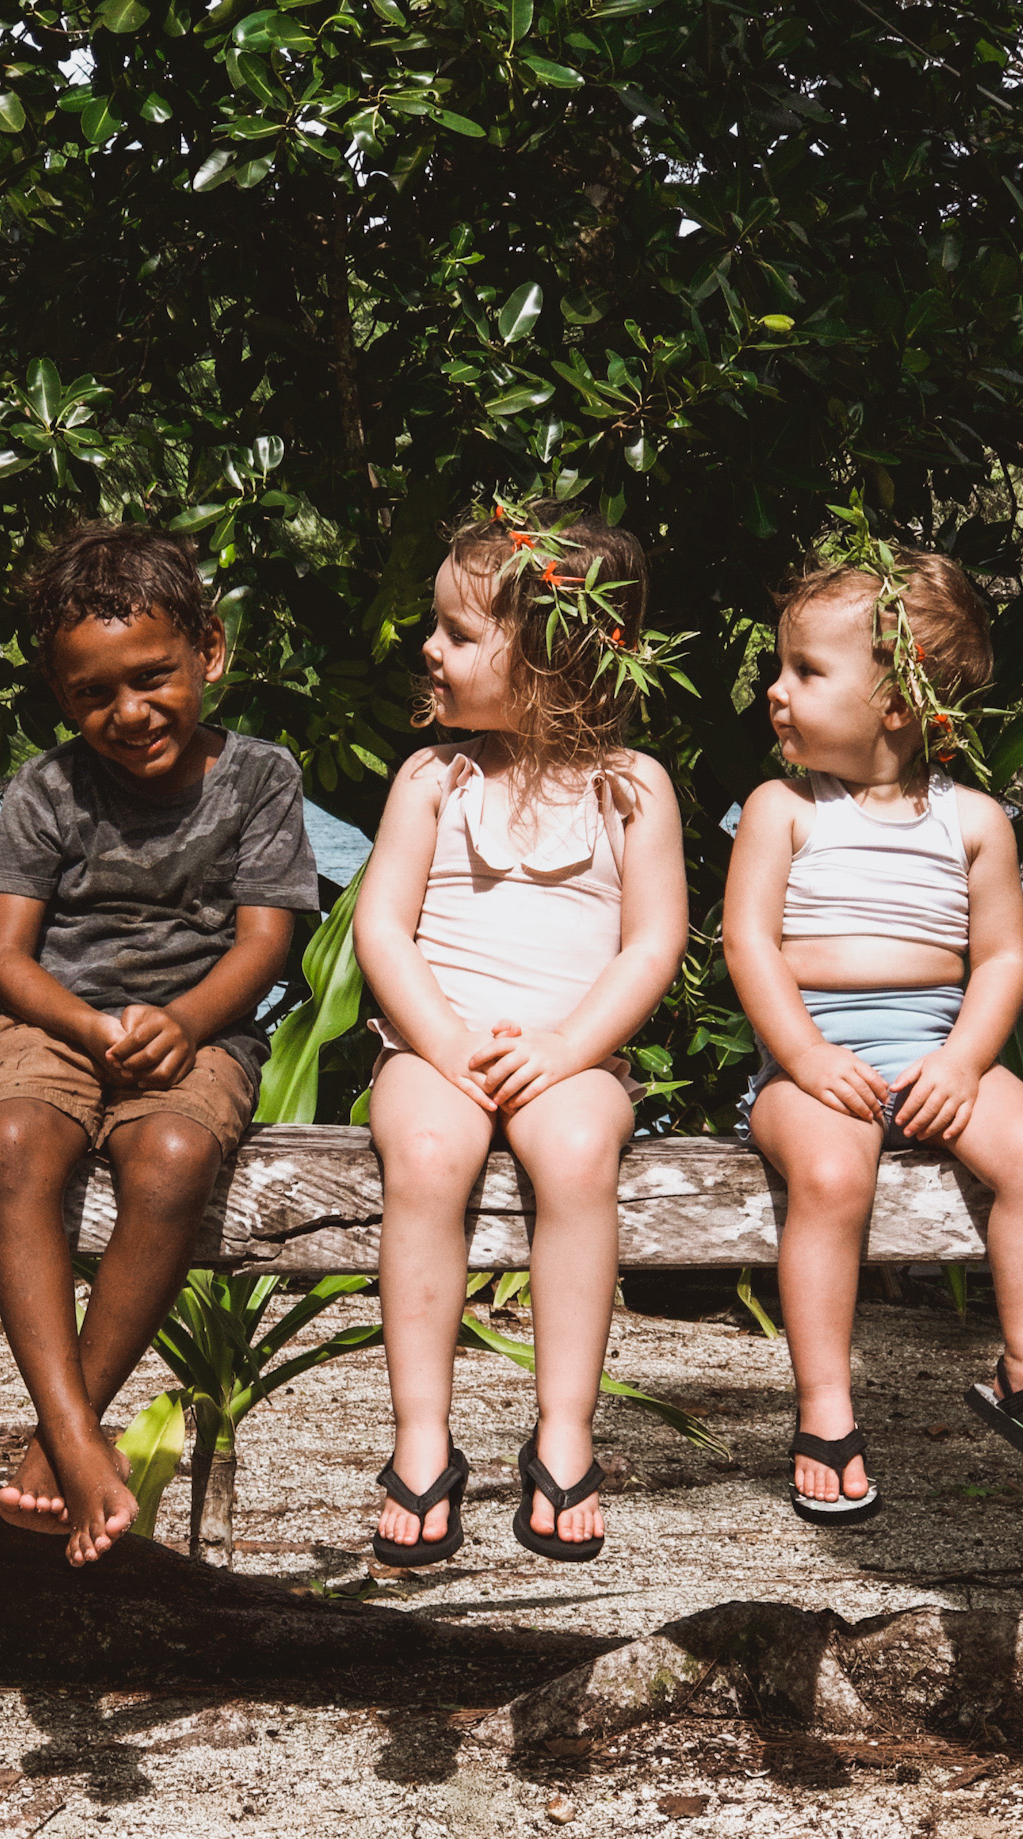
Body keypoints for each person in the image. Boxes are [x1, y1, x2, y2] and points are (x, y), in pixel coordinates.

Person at [722, 522, 1023, 1527]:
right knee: (834, 1172)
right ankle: (824, 1406)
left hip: (931, 1048)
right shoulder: (781, 808)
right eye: (779, 665)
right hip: (810, 1066)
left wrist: (965, 1062)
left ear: (895, 698)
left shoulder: (970, 819)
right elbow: (747, 944)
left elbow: (1000, 958)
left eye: (803, 669)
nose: (776, 688)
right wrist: (800, 1054)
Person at [0, 524, 320, 1567]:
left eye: (152, 677)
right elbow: (6, 955)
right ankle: (80, 1441)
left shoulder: (257, 778)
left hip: (201, 1026)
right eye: (91, 694)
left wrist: (185, 1020)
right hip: (56, 1020)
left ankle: (56, 1437)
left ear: (207, 649)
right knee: (14, 1142)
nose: (127, 712)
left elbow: (267, 938)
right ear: (60, 698)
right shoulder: (47, 788)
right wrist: (83, 1023)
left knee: (169, 1159)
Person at [352, 505, 689, 1568]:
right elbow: (381, 929)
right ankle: (419, 1436)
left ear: (546, 659)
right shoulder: (431, 781)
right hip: (433, 1046)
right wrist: (443, 1043)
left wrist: (565, 1047)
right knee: (426, 1151)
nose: (428, 650)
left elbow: (648, 945)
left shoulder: (627, 787)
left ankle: (562, 1427)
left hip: (569, 1050)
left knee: (579, 1150)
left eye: (456, 633)